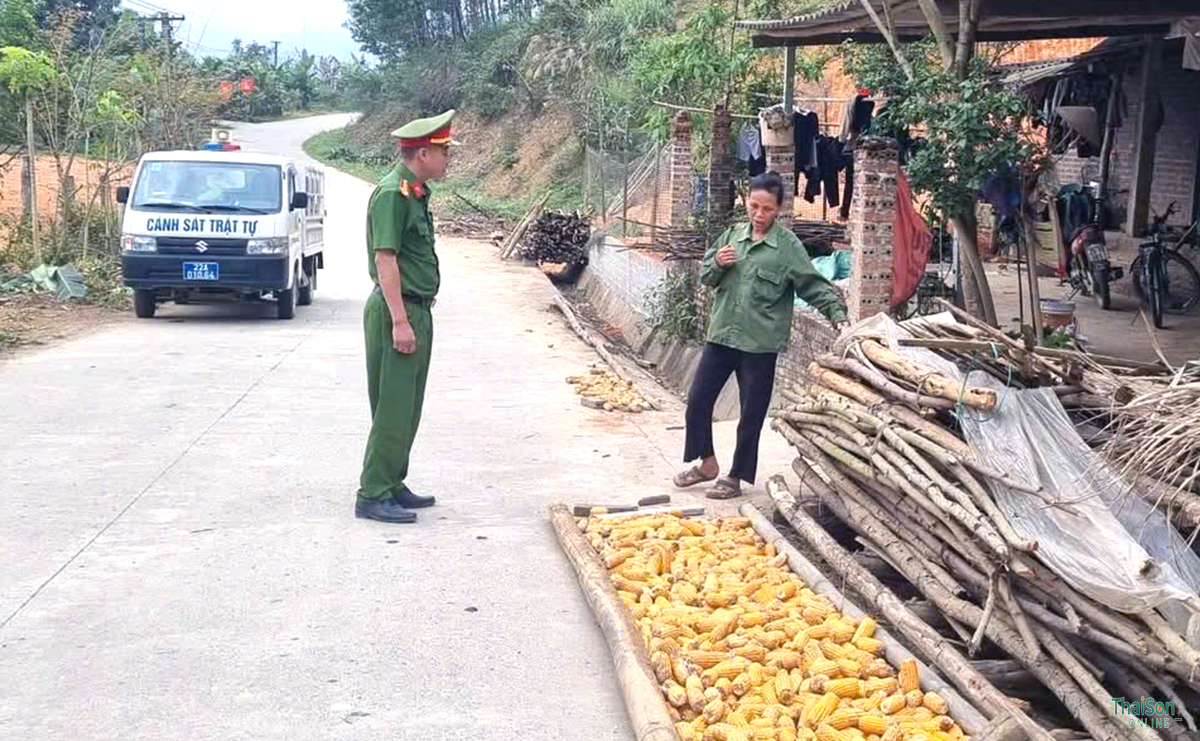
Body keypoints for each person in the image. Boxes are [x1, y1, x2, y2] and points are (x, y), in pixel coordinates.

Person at [673, 171, 848, 500]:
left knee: (751, 414)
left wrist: (838, 315)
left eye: (767, 209)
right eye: (754, 206)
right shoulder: (732, 237)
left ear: (778, 209)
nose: (758, 214)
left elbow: (812, 285)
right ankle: (706, 463)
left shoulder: (787, 247)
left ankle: (735, 476)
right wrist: (718, 263)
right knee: (697, 400)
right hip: (722, 335)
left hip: (760, 344)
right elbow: (707, 277)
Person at [355, 109, 459, 523]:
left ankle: (392, 481)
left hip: (417, 310)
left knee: (408, 406)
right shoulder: (392, 195)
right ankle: (372, 492)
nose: (448, 160)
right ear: (423, 154)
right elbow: (386, 260)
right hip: (397, 310)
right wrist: (399, 321)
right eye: (444, 152)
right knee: (393, 407)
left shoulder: (414, 192)